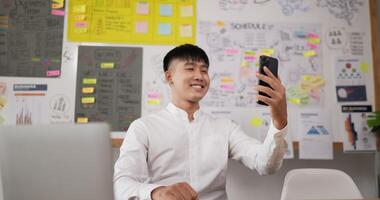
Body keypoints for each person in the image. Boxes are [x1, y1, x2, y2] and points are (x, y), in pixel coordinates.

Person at [114, 44, 288, 200]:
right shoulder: (143, 127)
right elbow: (122, 184)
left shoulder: (225, 127)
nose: (199, 76)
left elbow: (266, 165)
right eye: (190, 69)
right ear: (169, 77)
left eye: (204, 70)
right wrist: (157, 193)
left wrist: (279, 119)